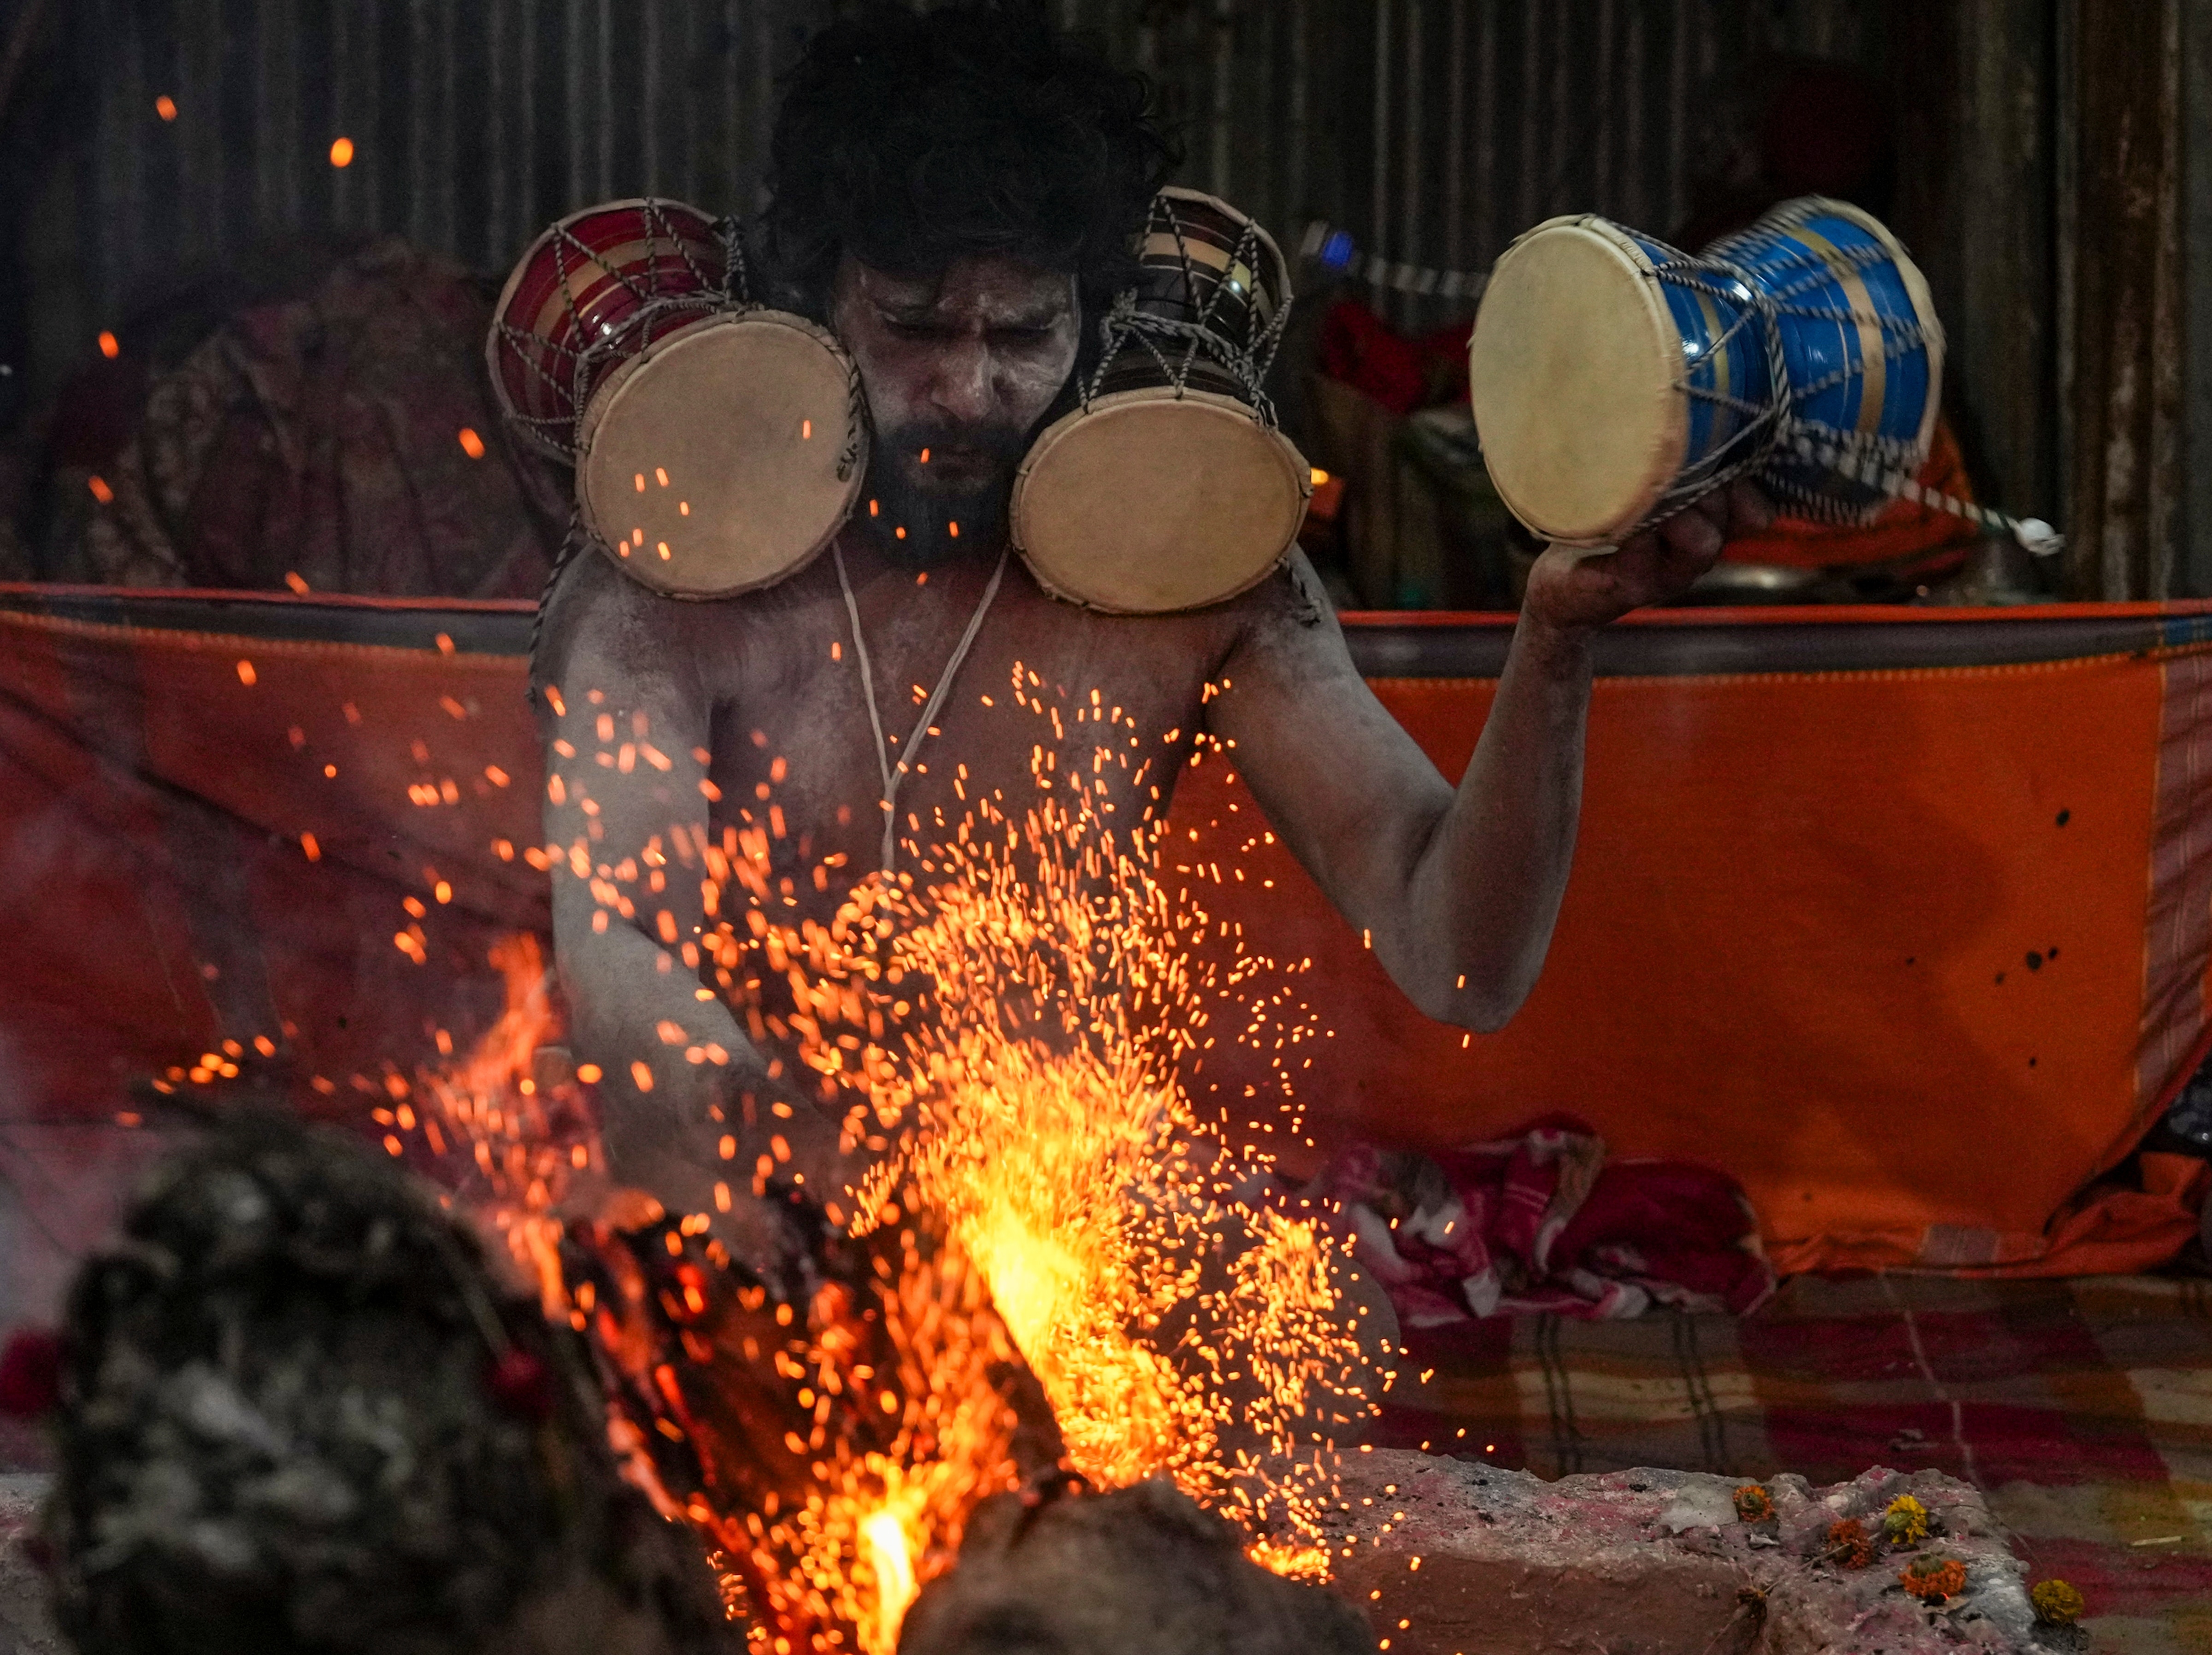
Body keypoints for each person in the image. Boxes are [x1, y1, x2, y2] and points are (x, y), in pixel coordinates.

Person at [532, 3, 1765, 1275]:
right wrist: (799, 1178)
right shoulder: (674, 572)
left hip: (1043, 1238)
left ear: (1096, 318)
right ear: (819, 300)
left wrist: (1555, 639)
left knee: (1331, 1331)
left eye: (1025, 334)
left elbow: (1463, 963)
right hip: (738, 1230)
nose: (971, 391)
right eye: (914, 327)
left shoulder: (1190, 571)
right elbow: (621, 942)